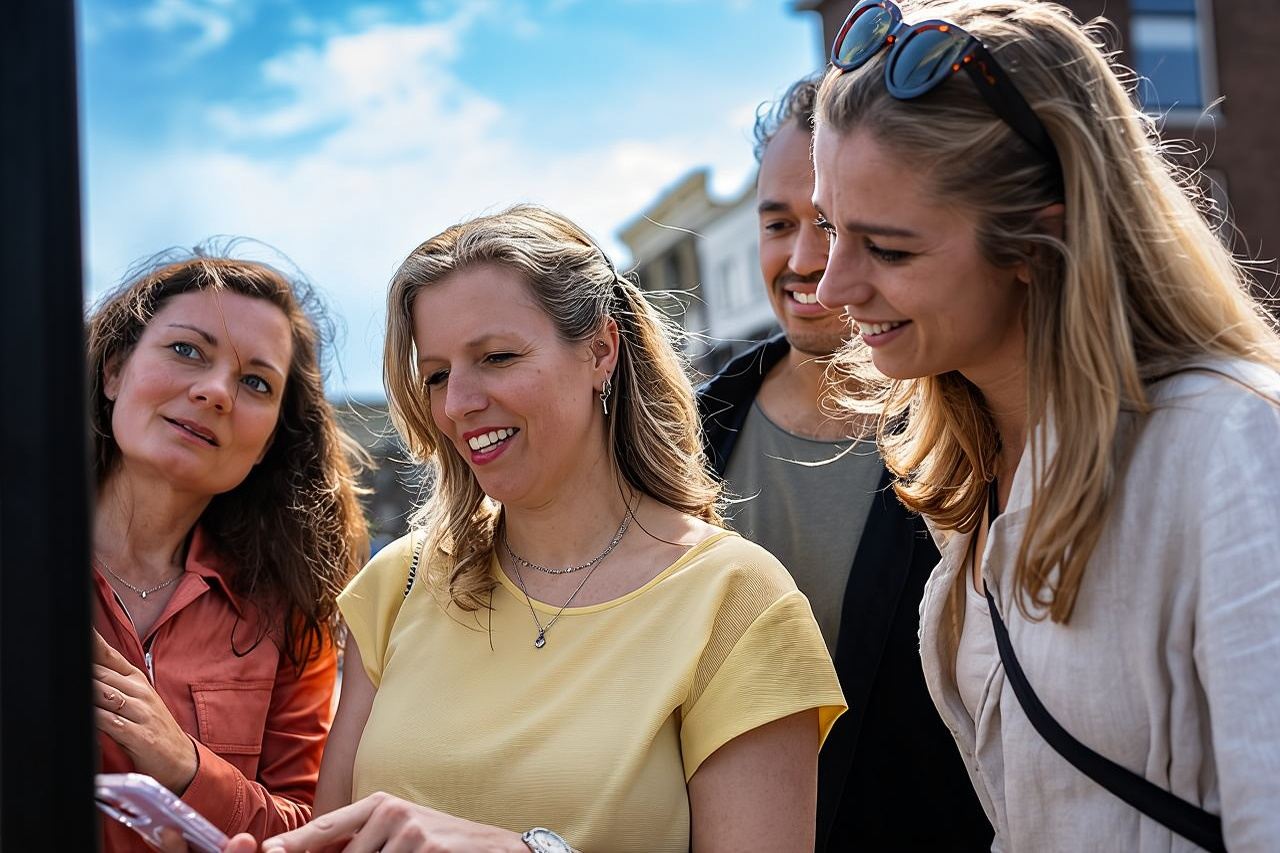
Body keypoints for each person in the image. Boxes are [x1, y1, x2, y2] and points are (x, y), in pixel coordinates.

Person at [228, 205, 846, 853]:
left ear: (602, 350)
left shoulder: (738, 600)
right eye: (437, 374)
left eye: (496, 356)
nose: (459, 402)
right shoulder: (396, 585)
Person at [812, 1, 1280, 850]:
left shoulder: (1235, 449)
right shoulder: (972, 472)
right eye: (827, 227)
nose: (832, 285)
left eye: (888, 248)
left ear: (1038, 236)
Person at [698, 73, 990, 850]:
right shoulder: (680, 440)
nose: (803, 261)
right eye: (775, 224)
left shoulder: (982, 430)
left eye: (829, 223)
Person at [88, 253, 370, 850]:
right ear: (115, 371)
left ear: (269, 441)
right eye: (187, 350)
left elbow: (311, 830)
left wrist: (185, 767)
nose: (216, 391)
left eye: (255, 383)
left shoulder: (291, 612)